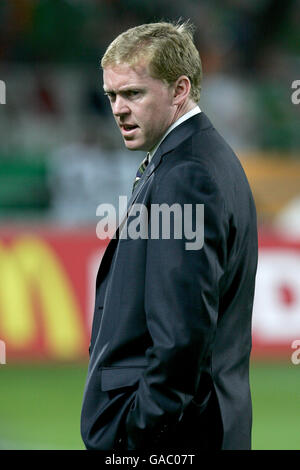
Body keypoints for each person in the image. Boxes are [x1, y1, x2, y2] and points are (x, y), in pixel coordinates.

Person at [80, 21, 258, 451]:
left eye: (133, 93)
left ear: (180, 89)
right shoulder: (201, 158)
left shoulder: (187, 174)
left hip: (176, 439)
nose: (118, 108)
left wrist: (139, 432)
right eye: (112, 96)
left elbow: (182, 332)